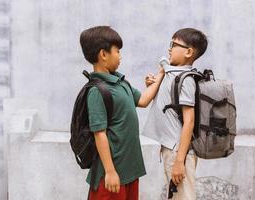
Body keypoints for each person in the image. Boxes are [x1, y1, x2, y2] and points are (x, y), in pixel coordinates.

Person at [79, 25, 164, 200]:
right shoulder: (97, 90)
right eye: (117, 51)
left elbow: (143, 100)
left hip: (130, 171)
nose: (120, 55)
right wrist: (110, 171)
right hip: (110, 175)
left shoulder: (120, 83)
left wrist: (161, 75)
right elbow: (99, 133)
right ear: (103, 54)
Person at [143, 28, 208, 200]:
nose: (169, 49)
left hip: (179, 152)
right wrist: (153, 82)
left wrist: (180, 161)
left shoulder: (186, 80)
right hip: (172, 150)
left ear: (188, 52)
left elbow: (189, 122)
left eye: (174, 44)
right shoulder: (174, 74)